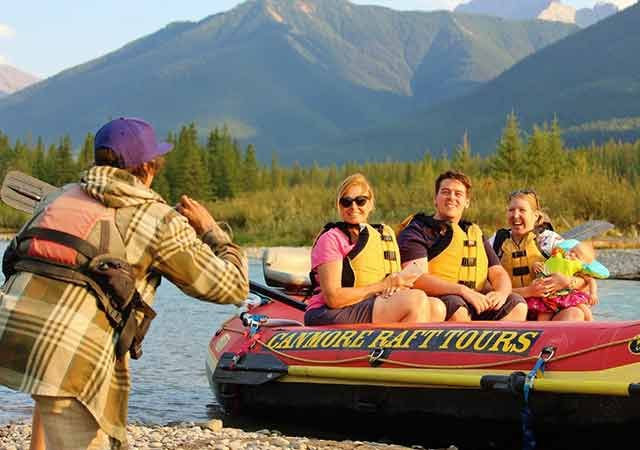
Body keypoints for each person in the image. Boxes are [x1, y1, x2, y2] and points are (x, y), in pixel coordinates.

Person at [0, 117, 249, 450]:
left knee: (51, 398)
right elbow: (232, 287)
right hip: (70, 357)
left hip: (12, 336)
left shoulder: (59, 198)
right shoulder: (158, 220)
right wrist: (210, 231)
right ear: (148, 168)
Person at [304, 173, 446, 326]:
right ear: (339, 206)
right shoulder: (331, 239)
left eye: (360, 201)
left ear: (370, 204)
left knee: (436, 307)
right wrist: (384, 285)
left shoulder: (380, 237)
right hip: (327, 311)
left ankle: (403, 347)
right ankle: (402, 349)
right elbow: (333, 298)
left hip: (367, 303)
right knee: (415, 300)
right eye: (346, 202)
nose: (353, 207)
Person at [397, 170, 528, 322]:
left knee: (516, 303)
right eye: (445, 192)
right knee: (457, 307)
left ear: (467, 202)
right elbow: (415, 278)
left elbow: (497, 272)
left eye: (458, 194)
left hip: (476, 299)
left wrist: (501, 293)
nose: (451, 197)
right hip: (438, 301)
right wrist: (462, 290)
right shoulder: (417, 230)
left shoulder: (473, 232)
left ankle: (494, 344)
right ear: (435, 199)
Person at [489, 189, 599, 321]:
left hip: (548, 309)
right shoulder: (497, 241)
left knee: (575, 313)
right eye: (511, 210)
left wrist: (567, 281)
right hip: (511, 306)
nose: (516, 215)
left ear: (535, 216)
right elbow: (484, 285)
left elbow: (585, 279)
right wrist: (527, 292)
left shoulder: (550, 240)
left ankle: (560, 339)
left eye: (522, 210)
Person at [527, 239, 608, 321]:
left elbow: (591, 281)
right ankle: (542, 330)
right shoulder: (556, 259)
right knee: (543, 315)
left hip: (567, 295)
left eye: (577, 256)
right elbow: (544, 267)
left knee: (581, 306)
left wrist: (593, 294)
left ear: (583, 262)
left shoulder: (579, 270)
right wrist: (535, 265)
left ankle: (592, 324)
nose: (572, 254)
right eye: (572, 251)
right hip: (547, 296)